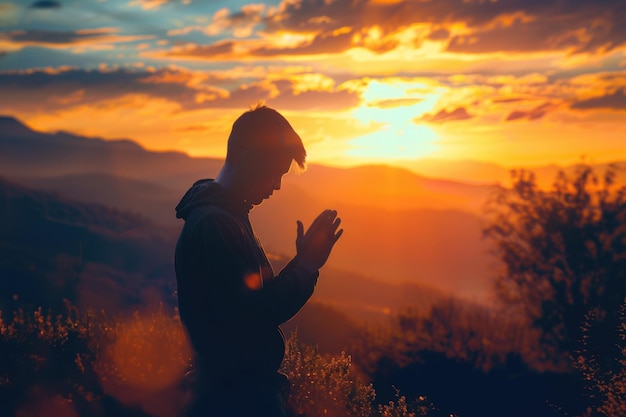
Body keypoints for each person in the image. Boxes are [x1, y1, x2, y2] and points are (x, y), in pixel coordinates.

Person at [174, 104, 343, 417]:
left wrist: (304, 262)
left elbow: (252, 302)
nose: (277, 186)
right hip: (234, 399)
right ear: (249, 160)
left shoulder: (226, 218)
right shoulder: (216, 226)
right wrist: (306, 266)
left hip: (234, 392)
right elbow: (254, 315)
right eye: (274, 173)